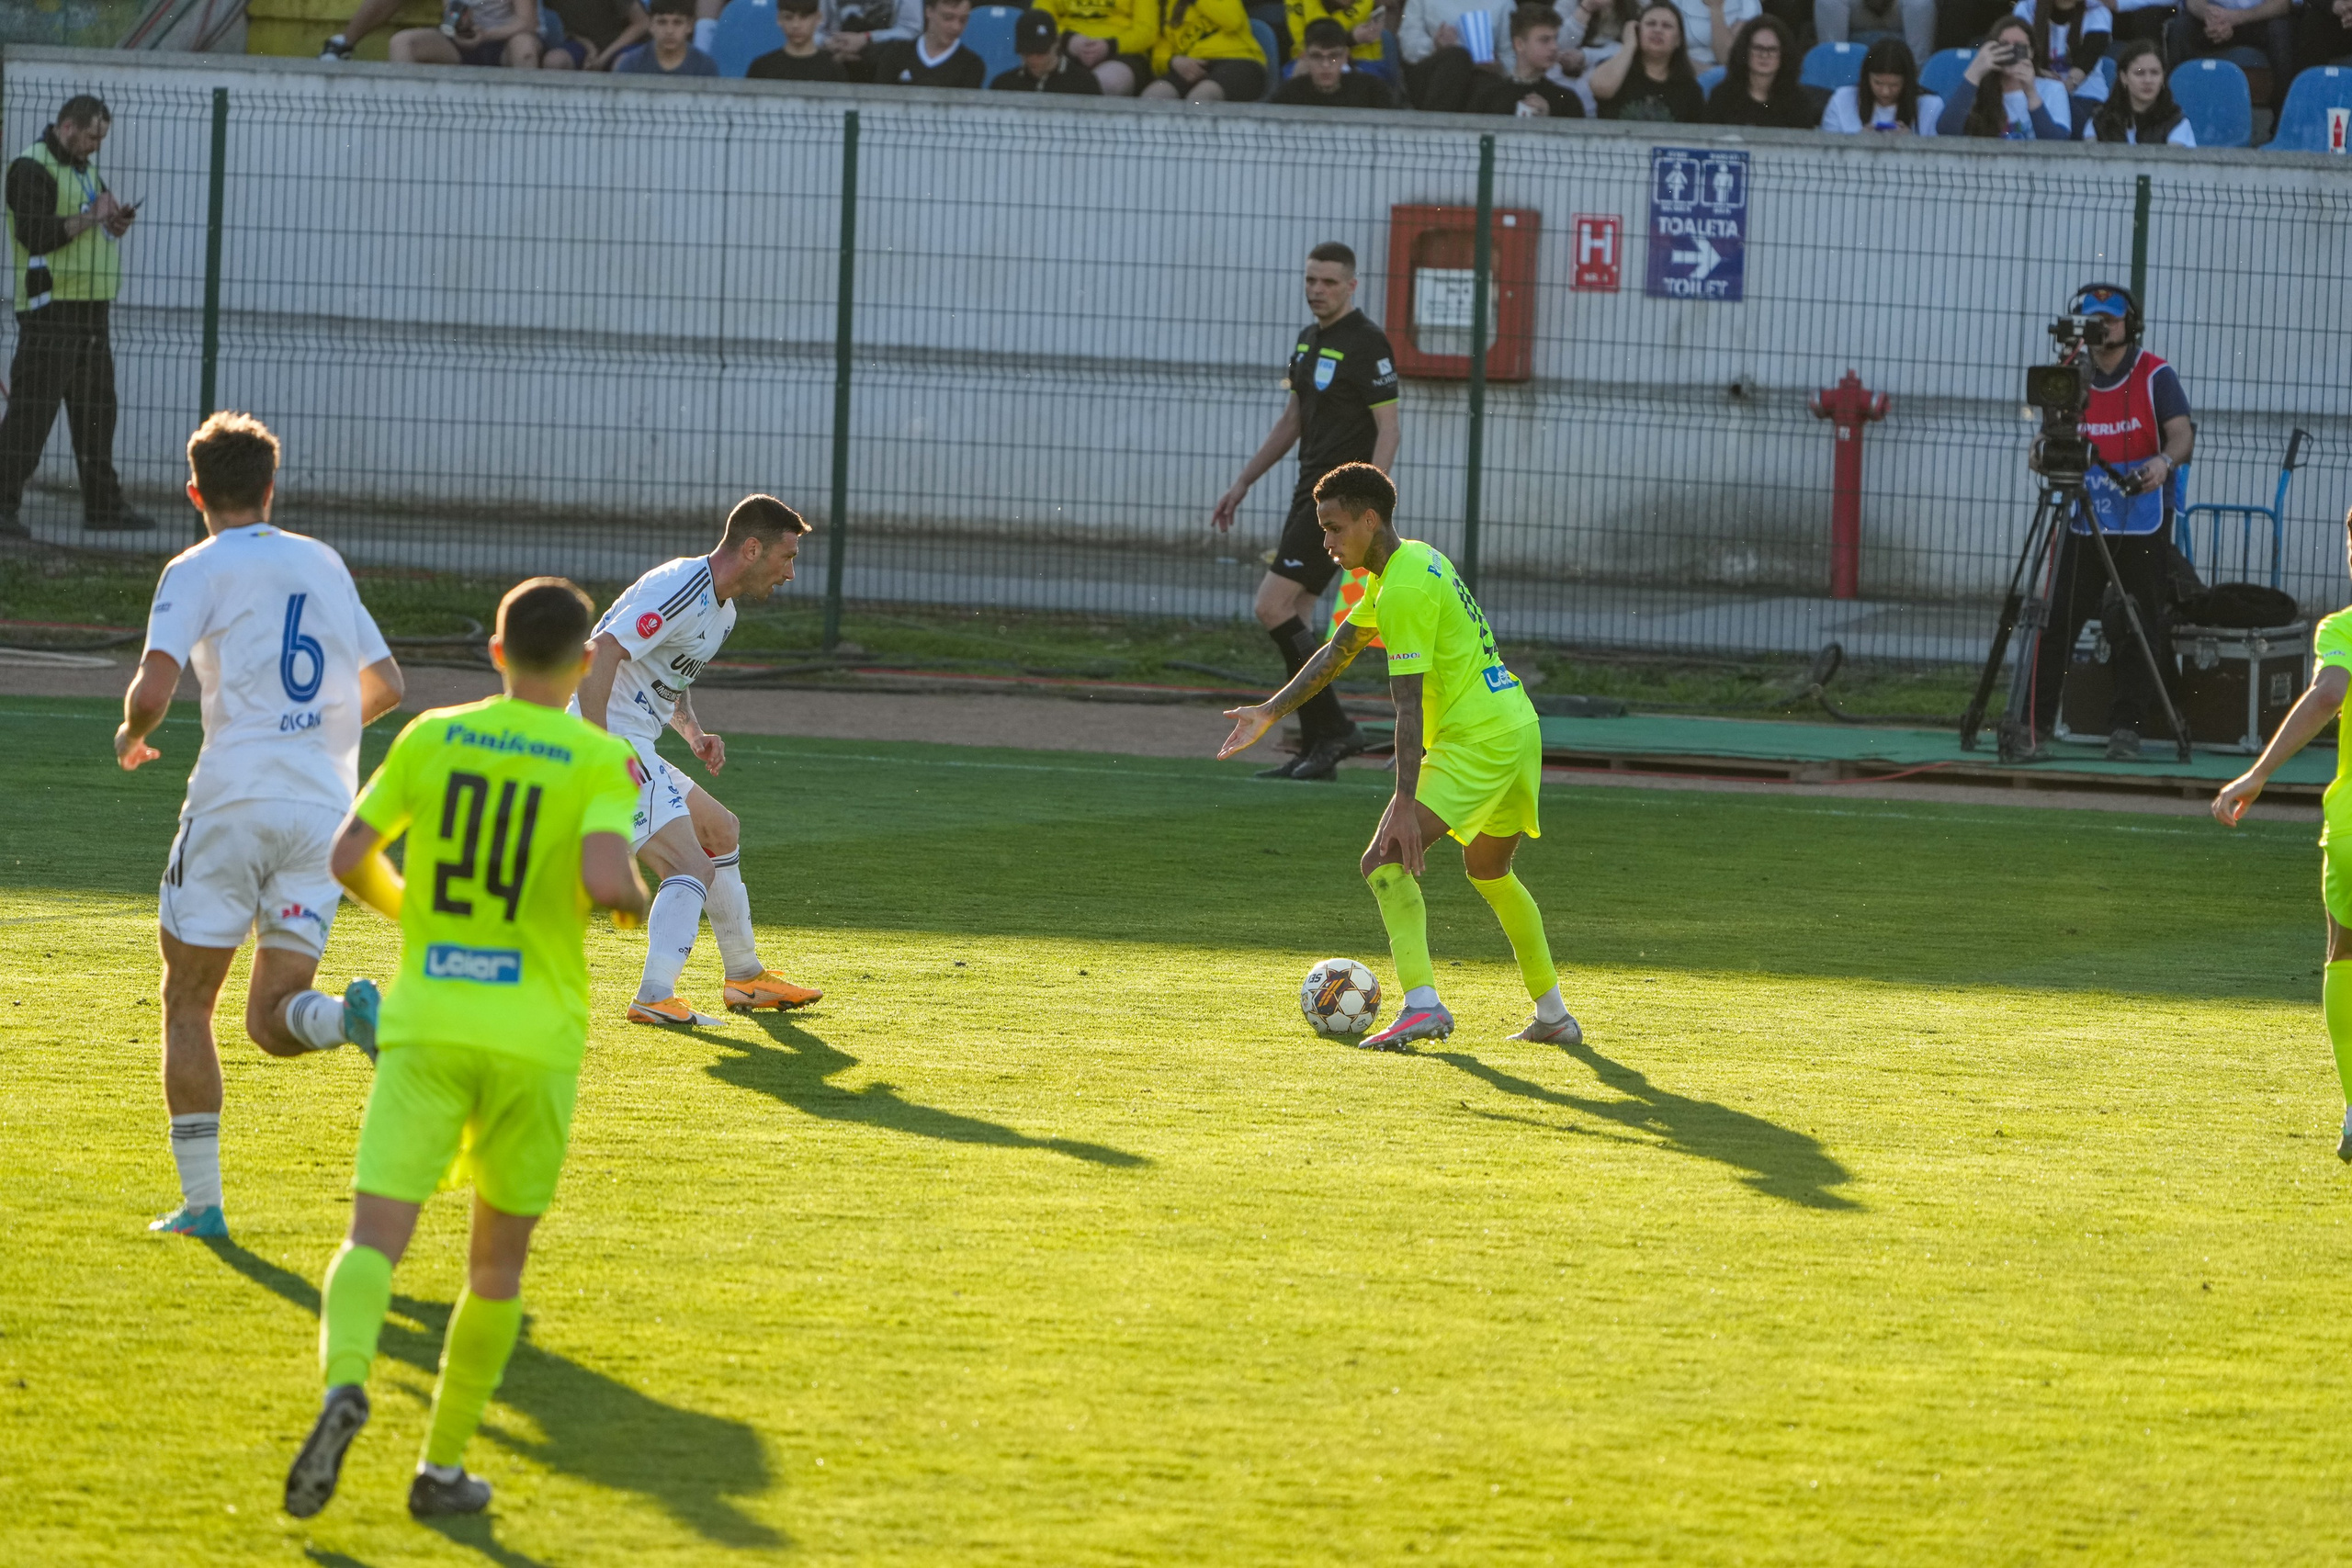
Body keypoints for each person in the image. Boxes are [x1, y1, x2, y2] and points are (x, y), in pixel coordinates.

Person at [280, 577, 650, 1523]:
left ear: (494, 653)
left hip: (430, 1021)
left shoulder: (433, 735)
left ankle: (346, 1386)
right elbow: (609, 878)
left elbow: (346, 855)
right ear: (578, 666)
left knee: (373, 1237)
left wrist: (417, 916)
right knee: (494, 1271)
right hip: (533, 1039)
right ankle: (440, 1469)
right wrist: (631, 901)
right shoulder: (596, 756)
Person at [116, 412, 406, 1237]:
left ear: (194, 492)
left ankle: (203, 1206)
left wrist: (133, 738)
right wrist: (317, 742)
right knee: (273, 1018)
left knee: (189, 1001)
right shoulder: (319, 559)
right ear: (273, 488)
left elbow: (151, 688)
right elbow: (387, 680)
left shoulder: (194, 566)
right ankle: (346, 1020)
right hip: (322, 812)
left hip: (232, 801)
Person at [1216, 464, 1577, 1052]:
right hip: (1515, 726)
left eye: (1334, 528)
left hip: (1476, 740)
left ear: (1369, 518)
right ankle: (1554, 1015)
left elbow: (1406, 705)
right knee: (1490, 871)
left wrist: (1405, 802)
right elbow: (1338, 649)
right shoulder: (1408, 564)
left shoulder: (1403, 587)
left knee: (1383, 862)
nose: (1327, 543)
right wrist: (1269, 711)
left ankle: (1423, 1006)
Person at [574, 496, 823, 1023]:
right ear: (752, 549)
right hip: (607, 740)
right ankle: (654, 996)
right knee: (690, 865)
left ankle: (745, 978)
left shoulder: (723, 612)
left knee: (721, 830)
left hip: (634, 740)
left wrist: (692, 731)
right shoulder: (681, 587)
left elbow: (671, 677)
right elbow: (599, 654)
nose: (791, 573)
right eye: (787, 557)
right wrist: (594, 749)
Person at [1212, 243, 1399, 781]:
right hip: (1309, 496)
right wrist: (1244, 481)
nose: (1317, 290)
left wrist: (1374, 502)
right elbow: (1291, 420)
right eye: (1311, 280)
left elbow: (1389, 429)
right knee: (1302, 617)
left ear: (1352, 286)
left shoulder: (1368, 344)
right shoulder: (1307, 342)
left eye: (1329, 283)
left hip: (1344, 502)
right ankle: (1319, 746)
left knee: (1271, 606)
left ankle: (1337, 730)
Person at [2212, 513, 2352, 1162]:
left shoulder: (2343, 627)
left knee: (2344, 955)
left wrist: (2258, 773)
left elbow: (2328, 695)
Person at [2028, 283, 2193, 762]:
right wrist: (2041, 451)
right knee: (2059, 620)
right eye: (2095, 319)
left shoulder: (2155, 375)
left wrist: (2163, 462)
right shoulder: (2068, 375)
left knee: (2140, 621)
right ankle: (2033, 727)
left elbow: (2182, 434)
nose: (2103, 328)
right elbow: (2049, 435)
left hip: (2141, 519)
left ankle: (2127, 730)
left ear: (2130, 325)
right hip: (2084, 518)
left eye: (2112, 320)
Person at [0, 96, 149, 537]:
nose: (95, 146)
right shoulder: (30, 168)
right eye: (91, 136)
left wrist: (112, 224)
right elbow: (37, 234)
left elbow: (89, 222)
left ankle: (104, 506)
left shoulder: (83, 168)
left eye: (102, 138)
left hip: (90, 309)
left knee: (97, 412)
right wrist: (90, 217)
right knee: (32, 413)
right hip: (52, 312)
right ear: (67, 127)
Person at [1939, 17, 2073, 133]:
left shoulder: (2053, 89)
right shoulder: (1975, 89)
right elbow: (1946, 130)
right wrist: (1974, 72)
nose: (2011, 52)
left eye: (2018, 47)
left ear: (2031, 52)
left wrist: (2031, 93)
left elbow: (2057, 143)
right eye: (2004, 46)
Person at [1589, 0, 1706, 117]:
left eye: (1667, 26)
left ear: (1678, 40)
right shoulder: (1617, 70)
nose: (1657, 30)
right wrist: (1629, 46)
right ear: (1637, 31)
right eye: (1651, 24)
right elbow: (1600, 89)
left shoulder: (1689, 89)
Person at [2168, 0, 2293, 107]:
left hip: (2256, 18)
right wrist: (2210, 16)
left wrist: (2237, 17)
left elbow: (2282, 4)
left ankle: (2284, 122)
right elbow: (2193, 2)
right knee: (2180, 29)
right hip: (2213, 19)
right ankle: (2177, 113)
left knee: (2281, 30)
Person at [1469, 5, 1590, 112]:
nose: (1554, 47)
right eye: (1545, 40)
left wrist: (1551, 119)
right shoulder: (1489, 97)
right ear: (1519, 45)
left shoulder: (1566, 99)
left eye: (1555, 39)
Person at [1142, 0, 1271, 98]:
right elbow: (1158, 53)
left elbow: (1233, 21)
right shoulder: (1165, 5)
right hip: (1193, 66)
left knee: (1201, 97)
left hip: (1239, 60)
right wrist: (1172, 61)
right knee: (1153, 96)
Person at [1703, 12, 1813, 123]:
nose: (1764, 55)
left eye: (1772, 49)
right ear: (1745, 52)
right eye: (1758, 48)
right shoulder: (1722, 97)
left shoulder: (1798, 102)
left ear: (1784, 54)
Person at [1820, 36, 1943, 129]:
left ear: (1908, 82)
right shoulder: (1842, 100)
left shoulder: (1931, 106)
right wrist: (1857, 143)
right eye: (1878, 83)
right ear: (1866, 78)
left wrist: (1911, 143)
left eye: (1894, 85)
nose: (1885, 92)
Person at [2083, 38, 2193, 139]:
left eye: (2155, 73)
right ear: (2124, 77)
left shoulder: (2177, 123)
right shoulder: (2099, 122)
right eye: (2140, 73)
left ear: (2163, 78)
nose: (2148, 80)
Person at [1037, 0, 1159, 92]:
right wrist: (1069, 40)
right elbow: (1039, 20)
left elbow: (1147, 31)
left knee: (1108, 83)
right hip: (1064, 46)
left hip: (1122, 52)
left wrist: (1110, 46)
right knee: (1043, 74)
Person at [1273, 17, 1403, 101]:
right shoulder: (1288, 94)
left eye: (1333, 57)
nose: (1325, 65)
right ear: (1305, 58)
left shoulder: (1372, 91)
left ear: (1345, 57)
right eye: (1317, 57)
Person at [870, 0, 989, 84]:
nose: (956, 27)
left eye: (963, 20)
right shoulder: (896, 54)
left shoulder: (972, 65)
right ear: (929, 11)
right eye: (948, 17)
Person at [990, 8, 1108, 87]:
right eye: (1027, 53)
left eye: (1041, 53)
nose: (1033, 59)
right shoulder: (1004, 85)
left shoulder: (1083, 84)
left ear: (1056, 42)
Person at [2018, 0, 2111, 98]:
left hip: (2083, 93)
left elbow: (2088, 57)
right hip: (2034, 87)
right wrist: (2040, 73)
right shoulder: (2027, 7)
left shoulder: (2097, 10)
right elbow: (2019, 53)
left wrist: (2063, 88)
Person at [1285, 0, 1392, 83]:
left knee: (1369, 86)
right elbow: (1304, 40)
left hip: (1363, 59)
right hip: (1311, 57)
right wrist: (1351, 38)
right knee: (1292, 80)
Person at [1817, 0, 1934, 71]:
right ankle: (1833, 74)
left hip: (1898, 10)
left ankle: (1917, 75)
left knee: (1920, 3)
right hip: (1857, 10)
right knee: (1828, 1)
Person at [821, 0, 923, 82]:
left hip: (885, 66)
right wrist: (828, 42)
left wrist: (866, 38)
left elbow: (911, 30)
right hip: (836, 60)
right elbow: (815, 28)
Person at [539, 0, 651, 67]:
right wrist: (588, 46)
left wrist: (602, 58)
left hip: (622, 45)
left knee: (624, 63)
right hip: (581, 45)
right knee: (555, 61)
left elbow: (642, 23)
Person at [751, 0, 849, 76]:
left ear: (818, 18)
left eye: (804, 17)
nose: (796, 25)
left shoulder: (833, 70)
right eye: (789, 17)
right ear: (779, 19)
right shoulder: (761, 68)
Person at [616, 0, 720, 72]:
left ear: (689, 26)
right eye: (662, 22)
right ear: (651, 25)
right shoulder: (632, 65)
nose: (669, 31)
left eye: (677, 23)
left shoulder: (703, 67)